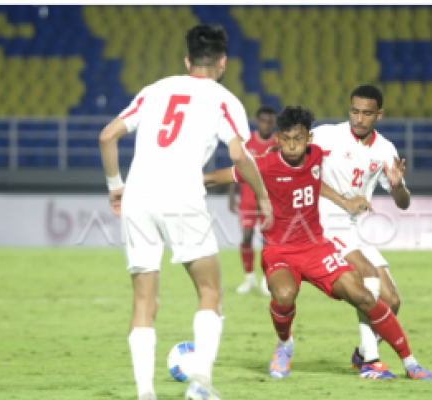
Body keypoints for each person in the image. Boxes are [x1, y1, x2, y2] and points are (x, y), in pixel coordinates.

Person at [99, 24, 271, 400]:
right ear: (223, 62)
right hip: (181, 196)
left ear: (187, 60)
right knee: (210, 291)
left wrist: (116, 187)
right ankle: (201, 387)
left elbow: (107, 135)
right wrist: (262, 198)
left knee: (144, 300)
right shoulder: (224, 100)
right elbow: (240, 156)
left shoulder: (154, 90)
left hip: (138, 197)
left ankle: (145, 393)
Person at [205, 106, 432, 381]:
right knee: (283, 295)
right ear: (278, 139)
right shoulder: (264, 165)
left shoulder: (316, 156)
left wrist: (344, 200)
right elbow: (213, 178)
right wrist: (182, 187)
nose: (293, 146)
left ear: (309, 140)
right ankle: (284, 346)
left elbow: (315, 180)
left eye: (299, 139)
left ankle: (411, 364)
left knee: (364, 296)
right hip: (280, 249)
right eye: (287, 139)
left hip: (316, 247)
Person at [310, 85, 410, 379]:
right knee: (367, 275)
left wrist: (397, 185)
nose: (359, 119)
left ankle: (361, 354)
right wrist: (344, 201)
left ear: (379, 114)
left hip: (352, 226)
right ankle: (371, 363)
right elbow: (301, 172)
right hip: (323, 220)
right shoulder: (326, 135)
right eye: (355, 111)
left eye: (367, 113)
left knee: (392, 302)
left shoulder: (385, 150)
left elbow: (403, 203)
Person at [228, 105, 277, 294]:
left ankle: (266, 280)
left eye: (270, 121)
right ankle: (249, 278)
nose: (267, 124)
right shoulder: (246, 142)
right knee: (247, 237)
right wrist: (232, 196)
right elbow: (237, 168)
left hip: (269, 200)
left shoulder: (277, 143)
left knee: (267, 240)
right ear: (257, 122)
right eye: (263, 120)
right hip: (247, 198)